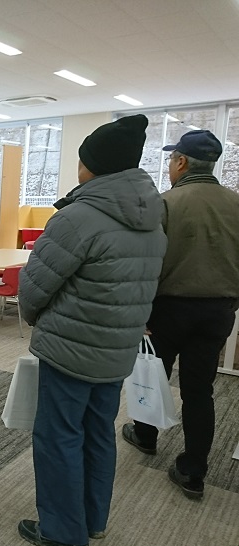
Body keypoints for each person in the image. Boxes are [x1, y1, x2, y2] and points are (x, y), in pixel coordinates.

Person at [17, 115, 167, 546]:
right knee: (99, 433)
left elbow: (34, 289)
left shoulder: (78, 218)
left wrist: (35, 320)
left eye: (81, 160)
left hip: (69, 351)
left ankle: (63, 530)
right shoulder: (154, 219)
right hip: (117, 350)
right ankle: (93, 518)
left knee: (59, 436)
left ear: (93, 166)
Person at [122, 130, 239, 501]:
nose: (170, 165)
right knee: (199, 389)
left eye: (172, 159)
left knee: (153, 374)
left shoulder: (166, 203)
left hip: (168, 308)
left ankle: (146, 435)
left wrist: (141, 311)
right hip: (218, 310)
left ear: (182, 162)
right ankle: (193, 471)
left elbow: (148, 263)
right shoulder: (236, 204)